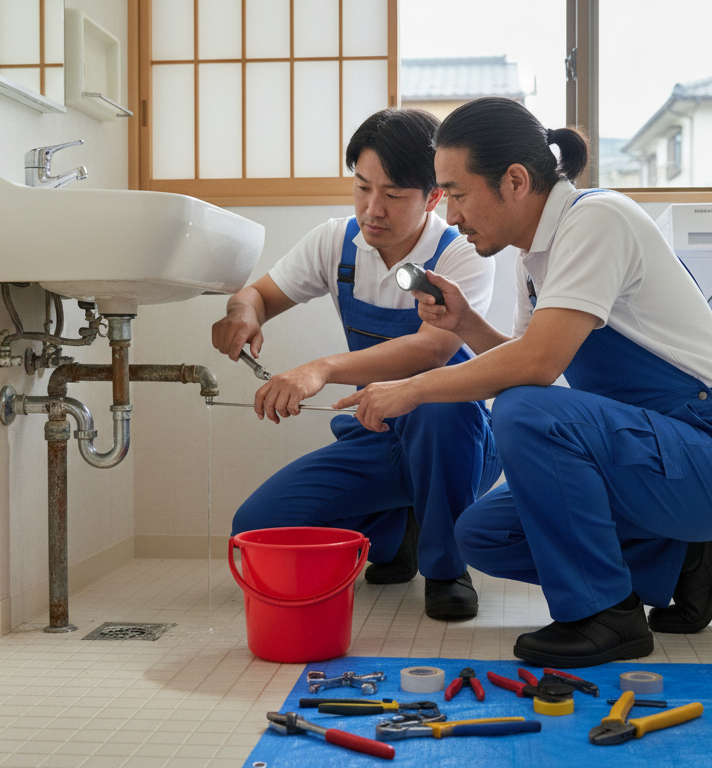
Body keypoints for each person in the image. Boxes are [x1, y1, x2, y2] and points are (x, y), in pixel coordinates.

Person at [333, 97, 712, 667]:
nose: (453, 216)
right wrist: (466, 323)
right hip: (653, 457)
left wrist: (411, 388)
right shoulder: (532, 254)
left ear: (515, 180)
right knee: (485, 534)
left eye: (458, 194)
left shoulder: (598, 219)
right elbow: (526, 359)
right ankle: (686, 562)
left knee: (524, 410)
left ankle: (606, 615)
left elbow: (535, 370)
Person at [212, 108, 500, 621]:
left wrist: (319, 368)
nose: (372, 209)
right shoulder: (336, 241)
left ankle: (447, 567)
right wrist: (241, 314)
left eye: (392, 195)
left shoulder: (462, 252)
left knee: (439, 404)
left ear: (433, 197)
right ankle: (400, 529)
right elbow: (257, 294)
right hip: (378, 431)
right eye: (362, 187)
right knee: (255, 529)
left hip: (460, 437)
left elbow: (432, 349)